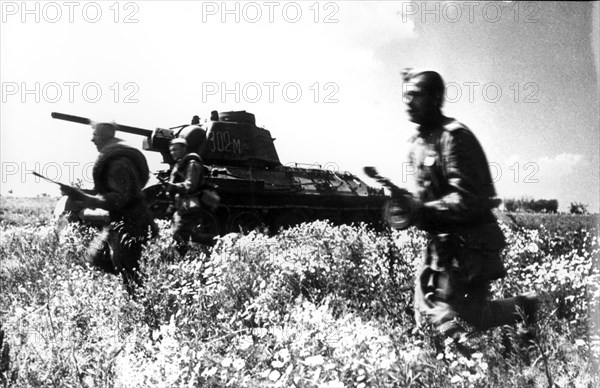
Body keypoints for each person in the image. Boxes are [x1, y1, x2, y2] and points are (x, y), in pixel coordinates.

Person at [394, 69, 538, 345]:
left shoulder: (455, 137)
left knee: (450, 316)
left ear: (436, 98)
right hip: (442, 246)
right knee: (447, 313)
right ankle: (524, 308)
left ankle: (471, 366)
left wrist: (422, 210)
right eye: (405, 96)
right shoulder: (417, 143)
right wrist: (409, 209)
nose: (408, 103)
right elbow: (425, 198)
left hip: (471, 244)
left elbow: (468, 198)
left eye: (415, 95)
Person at [61, 122, 157, 293]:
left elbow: (119, 198)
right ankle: (138, 285)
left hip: (132, 223)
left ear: (105, 135)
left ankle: (143, 300)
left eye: (95, 134)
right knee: (96, 257)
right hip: (119, 221)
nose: (92, 139)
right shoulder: (114, 159)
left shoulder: (118, 163)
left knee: (127, 269)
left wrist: (82, 197)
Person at [165, 137, 206, 257]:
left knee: (179, 233)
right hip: (180, 204)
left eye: (176, 149)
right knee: (180, 233)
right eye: (171, 150)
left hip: (190, 204)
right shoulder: (179, 164)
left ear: (184, 149)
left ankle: (213, 241)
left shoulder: (192, 164)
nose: (172, 152)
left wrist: (173, 186)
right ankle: (185, 257)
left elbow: (190, 186)